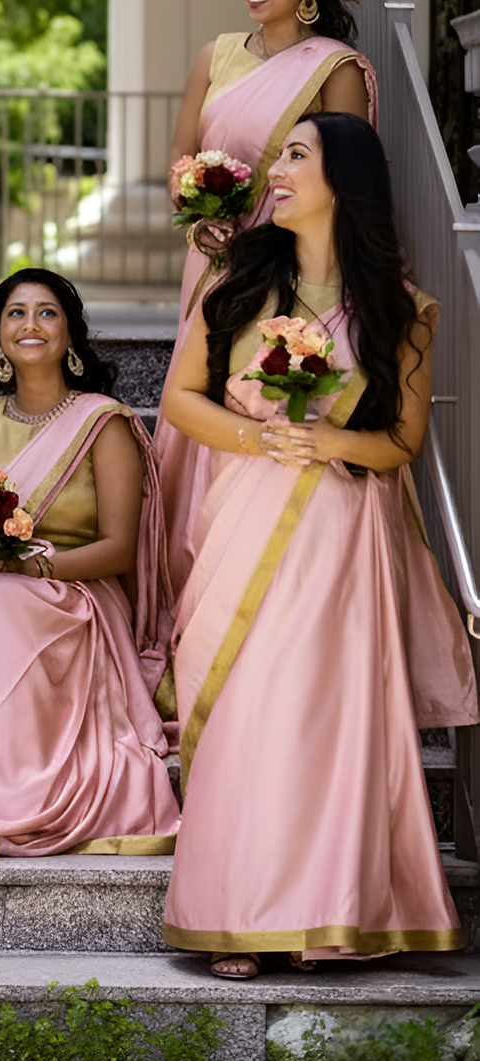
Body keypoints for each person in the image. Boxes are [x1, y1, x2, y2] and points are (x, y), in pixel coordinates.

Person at [161, 112, 476, 974]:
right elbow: (183, 401)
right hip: (245, 512)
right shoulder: (237, 281)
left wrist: (331, 442)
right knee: (246, 708)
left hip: (343, 535)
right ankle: (233, 912)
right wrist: (257, 438)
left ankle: (325, 914)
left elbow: (400, 444)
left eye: (296, 156)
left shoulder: (401, 309)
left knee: (322, 718)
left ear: (344, 177)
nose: (277, 170)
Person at [0, 269, 179, 859]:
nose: (31, 325)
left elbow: (119, 548)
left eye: (47, 312)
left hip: (75, 591)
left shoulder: (104, 422)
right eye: (16, 313)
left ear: (70, 335)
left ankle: (12, 793)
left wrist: (30, 567)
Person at [155, 0, 376, 589]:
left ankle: (255, 572)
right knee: (194, 392)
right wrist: (195, 215)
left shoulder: (333, 66)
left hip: (287, 261)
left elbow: (345, 174)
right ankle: (184, 577)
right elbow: (179, 155)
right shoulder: (215, 55)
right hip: (213, 254)